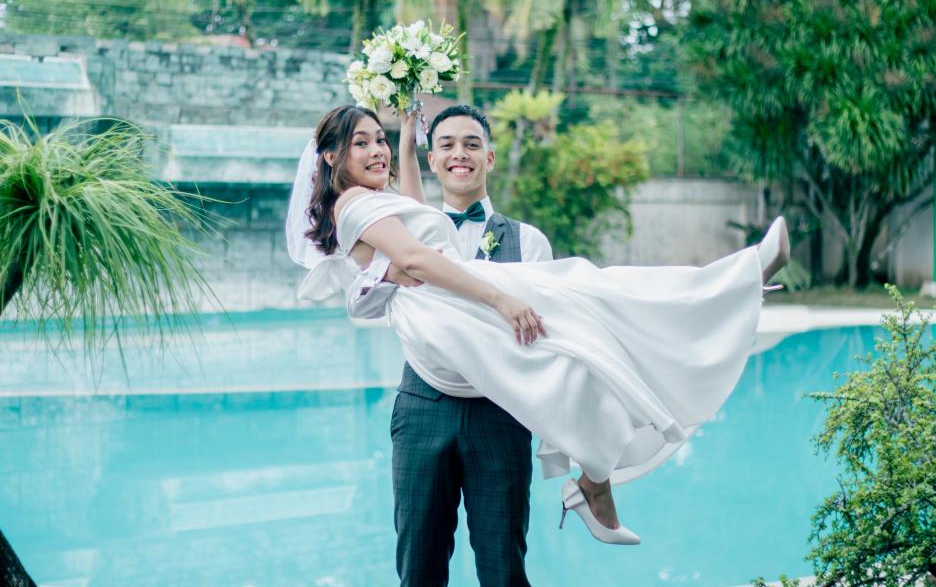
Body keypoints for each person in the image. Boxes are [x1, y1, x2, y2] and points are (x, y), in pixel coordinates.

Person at [287, 105, 789, 551]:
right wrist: (495, 297)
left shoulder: (408, 207)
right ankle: (729, 287)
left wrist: (404, 142)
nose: (377, 151)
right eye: (361, 142)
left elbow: (409, 226)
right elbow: (406, 262)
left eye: (380, 140)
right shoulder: (355, 204)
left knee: (595, 310)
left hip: (493, 391)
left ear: (490, 157)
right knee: (597, 300)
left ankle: (734, 284)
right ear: (331, 157)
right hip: (447, 354)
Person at [342, 105, 551, 586]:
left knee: (503, 564)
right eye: (448, 145)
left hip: (502, 413)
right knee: (419, 562)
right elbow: (361, 306)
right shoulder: (401, 231)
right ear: (431, 161)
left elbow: (544, 336)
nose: (460, 154)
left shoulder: (529, 241)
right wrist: (385, 272)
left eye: (472, 144)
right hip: (422, 409)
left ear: (490, 158)